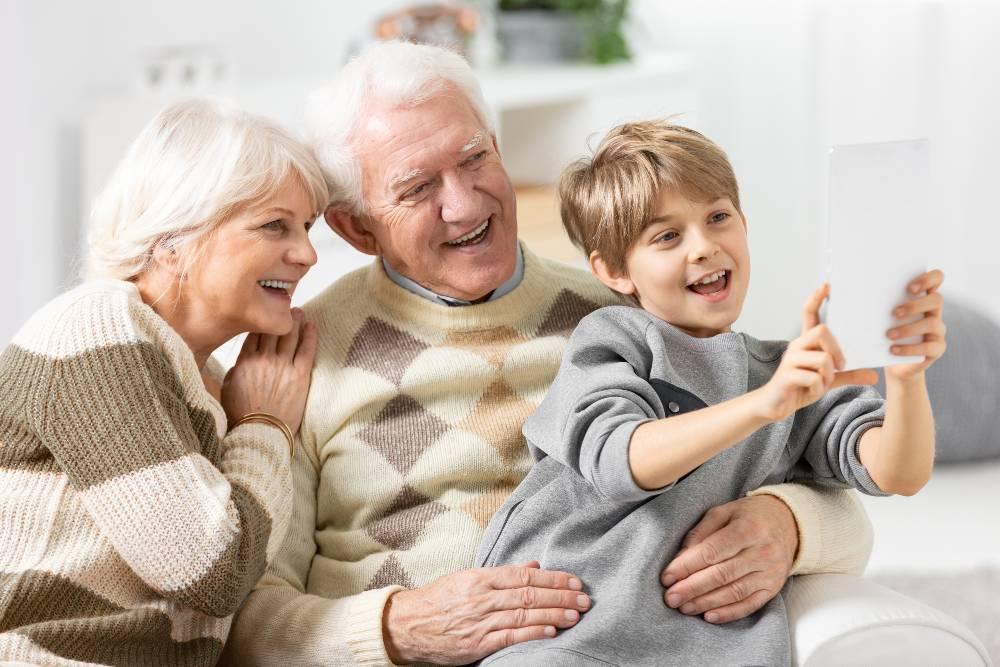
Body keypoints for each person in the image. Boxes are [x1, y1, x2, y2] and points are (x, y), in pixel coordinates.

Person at [223, 41, 879, 666]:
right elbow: (244, 620)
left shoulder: (627, 314)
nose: (463, 202)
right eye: (418, 187)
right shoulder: (299, 357)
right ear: (356, 226)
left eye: (474, 158)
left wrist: (790, 523)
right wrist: (399, 627)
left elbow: (830, 472)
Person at [475, 121, 946, 666]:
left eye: (718, 218)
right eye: (667, 236)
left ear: (744, 225)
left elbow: (900, 473)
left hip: (707, 649)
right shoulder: (616, 340)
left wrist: (908, 377)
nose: (704, 247)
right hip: (564, 633)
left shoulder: (787, 374)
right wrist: (766, 404)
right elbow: (621, 460)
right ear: (613, 269)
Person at [0, 98, 328, 665]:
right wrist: (265, 427)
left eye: (306, 228)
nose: (307, 254)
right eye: (275, 225)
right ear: (174, 238)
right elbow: (212, 572)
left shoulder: (211, 382)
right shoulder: (96, 327)